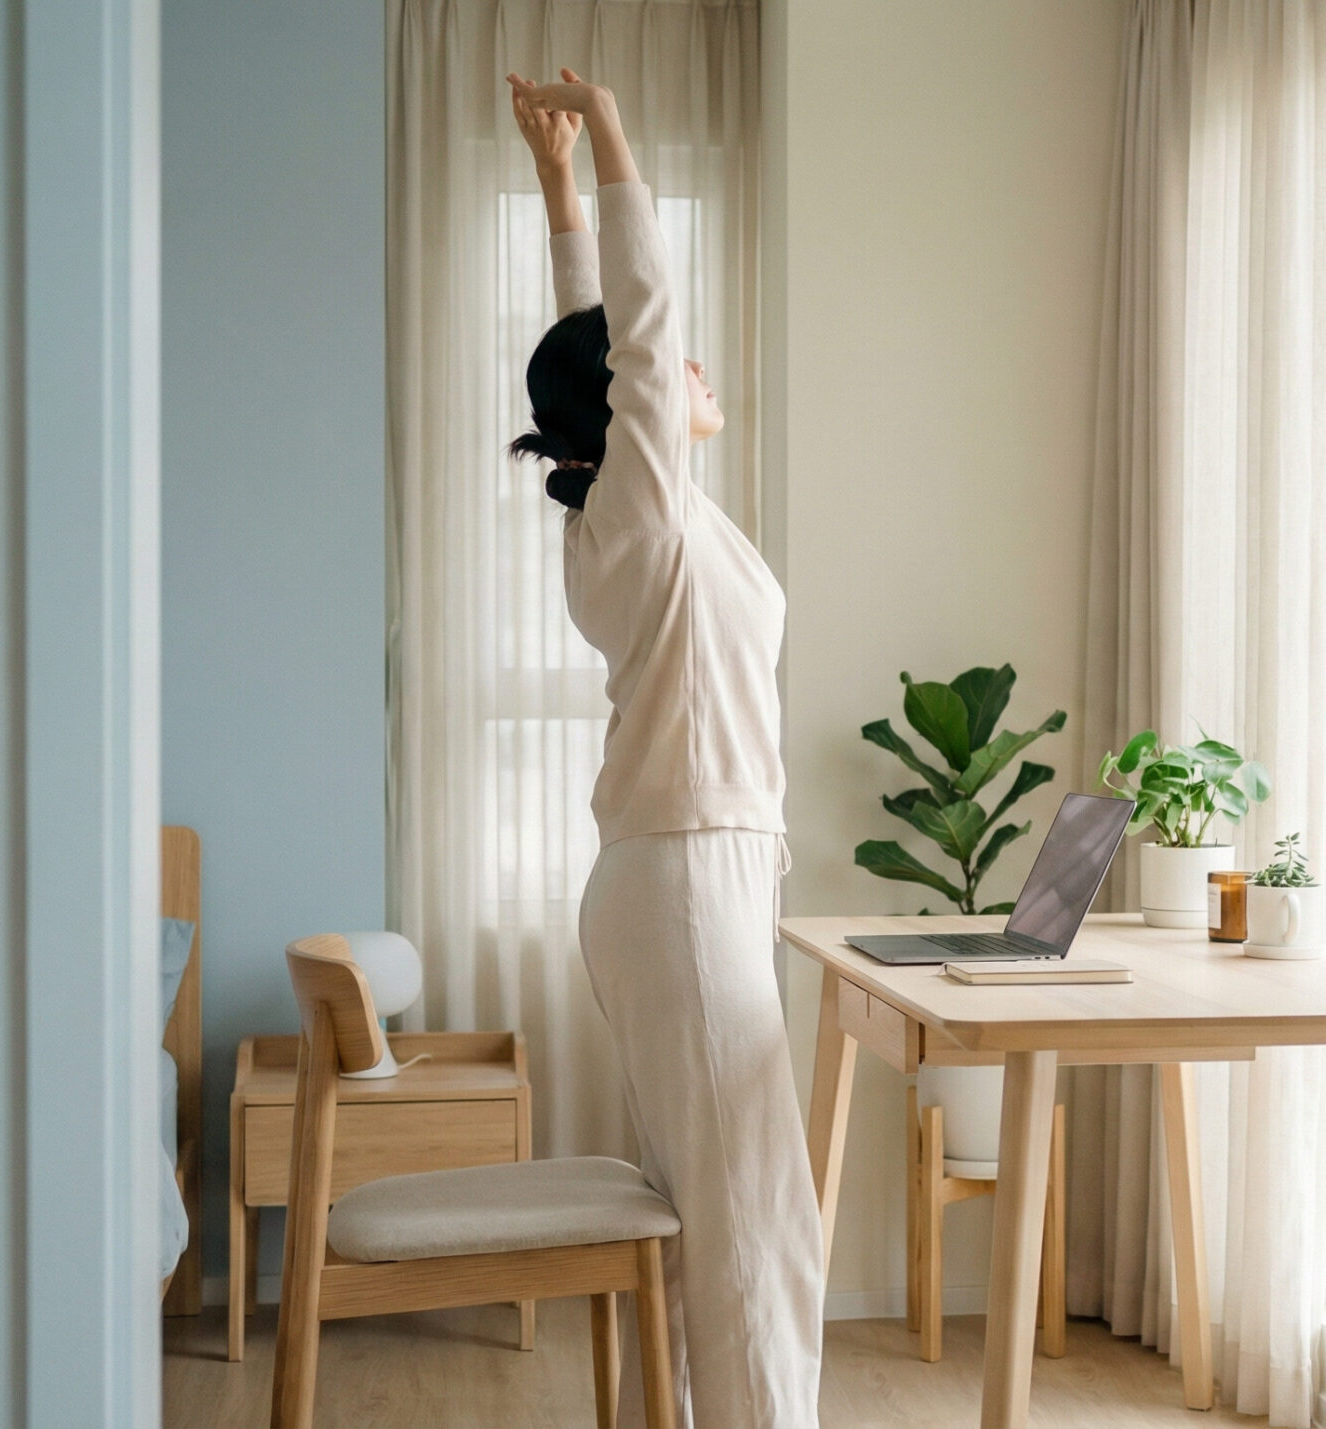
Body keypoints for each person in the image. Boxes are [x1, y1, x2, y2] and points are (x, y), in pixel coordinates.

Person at [504, 70, 823, 1429]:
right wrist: (623, 137)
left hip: (696, 877)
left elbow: (600, 344)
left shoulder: (642, 519)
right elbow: (635, 330)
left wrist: (559, 185)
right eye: (660, 375)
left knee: (729, 1213)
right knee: (759, 1223)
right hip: (685, 878)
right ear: (624, 410)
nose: (694, 374)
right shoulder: (638, 511)